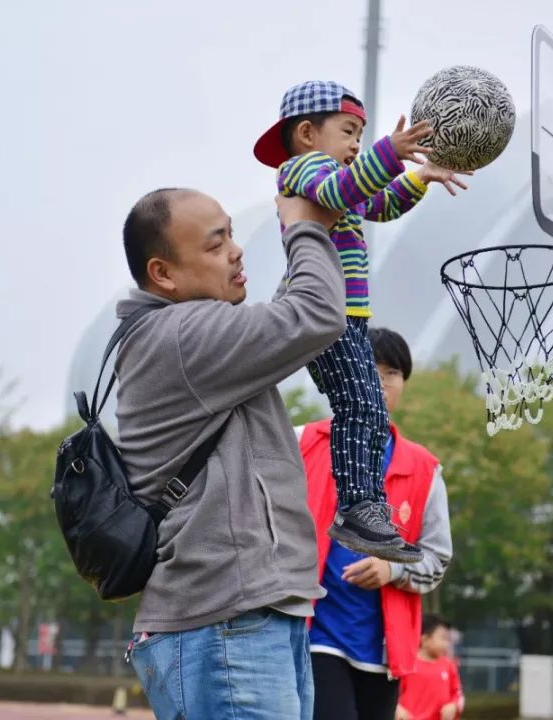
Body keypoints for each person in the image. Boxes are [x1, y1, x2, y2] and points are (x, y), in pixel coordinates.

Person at [117, 189, 346, 720]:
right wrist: (302, 226)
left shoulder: (184, 334)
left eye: (232, 235)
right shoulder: (183, 334)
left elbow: (290, 319)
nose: (238, 252)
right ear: (164, 273)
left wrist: (322, 227)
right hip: (227, 623)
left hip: (241, 617)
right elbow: (314, 315)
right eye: (217, 244)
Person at [255, 81, 469, 562]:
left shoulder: (341, 178)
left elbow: (380, 203)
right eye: (349, 131)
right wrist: (389, 153)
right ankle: (357, 506)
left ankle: (366, 505)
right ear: (307, 133)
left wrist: (420, 177)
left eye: (362, 135)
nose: (357, 144)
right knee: (362, 407)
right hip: (326, 315)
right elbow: (342, 188)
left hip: (345, 317)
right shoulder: (306, 169)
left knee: (368, 406)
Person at [300, 326, 454, 720]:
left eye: (392, 373)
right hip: (313, 635)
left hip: (386, 651)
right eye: (370, 368)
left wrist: (391, 569)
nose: (381, 381)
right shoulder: (303, 442)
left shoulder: (425, 469)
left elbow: (437, 559)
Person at [395, 614, 464, 720]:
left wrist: (454, 705)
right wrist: (397, 708)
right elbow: (393, 694)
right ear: (425, 640)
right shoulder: (406, 665)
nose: (447, 644)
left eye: (448, 639)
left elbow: (458, 694)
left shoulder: (449, 666)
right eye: (443, 638)